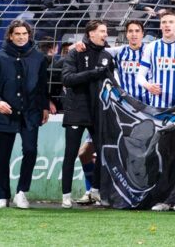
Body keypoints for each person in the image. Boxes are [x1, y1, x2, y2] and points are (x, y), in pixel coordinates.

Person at [135, 10, 175, 211]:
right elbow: (140, 76)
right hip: (158, 110)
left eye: (171, 22)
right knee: (161, 155)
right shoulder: (151, 48)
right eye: (164, 22)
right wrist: (148, 86)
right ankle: (161, 199)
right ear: (160, 26)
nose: (167, 25)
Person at [60, 20, 112, 209]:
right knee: (71, 153)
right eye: (102, 31)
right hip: (76, 110)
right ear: (91, 34)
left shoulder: (107, 55)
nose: (105, 34)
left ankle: (96, 191)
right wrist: (91, 74)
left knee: (102, 152)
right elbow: (66, 79)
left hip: (98, 111)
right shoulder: (76, 52)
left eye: (106, 31)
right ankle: (66, 195)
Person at [0, 21, 48, 209]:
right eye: (17, 34)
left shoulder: (39, 57)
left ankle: (22, 192)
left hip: (31, 112)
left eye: (24, 33)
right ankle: (2, 194)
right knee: (2, 156)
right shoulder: (0, 56)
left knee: (30, 150)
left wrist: (44, 107)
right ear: (10, 36)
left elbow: (42, 86)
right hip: (5, 113)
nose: (21, 37)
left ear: (29, 35)